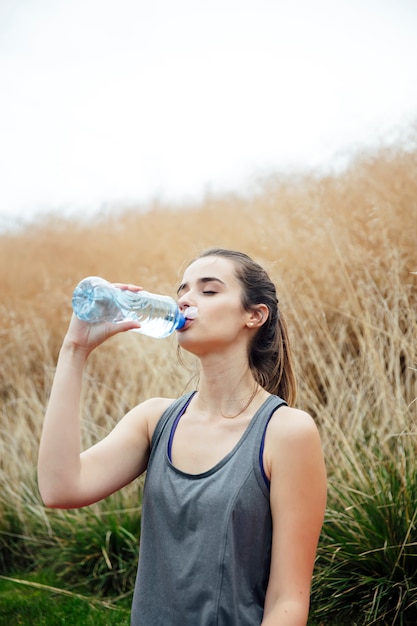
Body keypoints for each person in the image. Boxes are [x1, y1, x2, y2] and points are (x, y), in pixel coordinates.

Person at [38, 247, 327, 626]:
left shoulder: (286, 432)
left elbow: (288, 599)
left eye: (208, 291)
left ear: (254, 315)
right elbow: (60, 489)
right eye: (182, 291)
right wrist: (75, 349)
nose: (186, 300)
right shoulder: (154, 419)